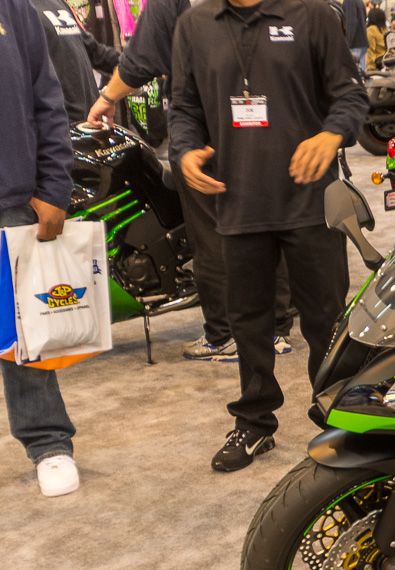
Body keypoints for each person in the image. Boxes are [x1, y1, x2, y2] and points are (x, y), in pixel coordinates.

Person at [169, 0, 368, 472]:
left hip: (310, 201)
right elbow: (184, 108)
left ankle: (338, 419)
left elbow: (351, 96)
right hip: (237, 200)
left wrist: (331, 135)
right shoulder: (194, 25)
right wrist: (184, 150)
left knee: (325, 320)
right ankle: (255, 422)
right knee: (248, 322)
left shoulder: (313, 16)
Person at [86, 0, 295, 362]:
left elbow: (140, 59)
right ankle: (274, 328)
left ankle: (226, 334)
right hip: (268, 120)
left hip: (205, 126)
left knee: (212, 232)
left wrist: (107, 97)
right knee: (267, 220)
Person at [1, 0, 81, 496]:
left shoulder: (16, 10)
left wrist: (54, 188)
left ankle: (48, 443)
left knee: (23, 335)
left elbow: (47, 101)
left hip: (9, 201)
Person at [29, 0, 120, 121]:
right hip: (59, 123)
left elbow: (93, 50)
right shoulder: (18, 11)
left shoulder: (58, 3)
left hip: (90, 119)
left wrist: (130, 64)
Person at [342, 0, 369, 72]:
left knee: (355, 73)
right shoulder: (359, 1)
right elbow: (365, 17)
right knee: (362, 72)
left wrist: (347, 43)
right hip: (362, 41)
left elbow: (351, 23)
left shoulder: (349, 1)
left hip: (354, 43)